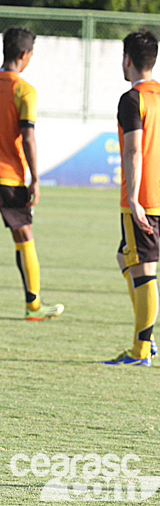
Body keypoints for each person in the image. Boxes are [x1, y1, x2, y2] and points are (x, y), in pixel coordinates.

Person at [104, 30, 160, 367]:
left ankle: (142, 348)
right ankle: (145, 334)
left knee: (144, 268)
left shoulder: (132, 98)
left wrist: (135, 199)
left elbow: (134, 149)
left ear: (128, 59)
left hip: (143, 197)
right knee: (127, 259)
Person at [0, 27, 64, 321]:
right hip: (9, 177)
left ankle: (33, 305)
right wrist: (36, 178)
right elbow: (28, 137)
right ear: (24, 55)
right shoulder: (24, 90)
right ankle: (33, 304)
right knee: (24, 236)